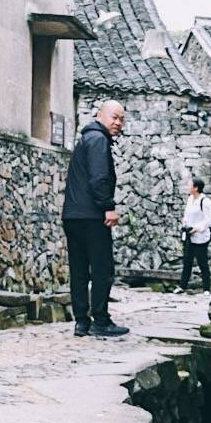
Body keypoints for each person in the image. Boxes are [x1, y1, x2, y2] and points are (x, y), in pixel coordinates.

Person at [62, 99, 128, 338]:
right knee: (102, 269)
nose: (118, 123)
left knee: (79, 270)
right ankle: (100, 319)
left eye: (121, 119)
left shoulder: (85, 139)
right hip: (91, 215)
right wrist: (108, 207)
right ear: (100, 115)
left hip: (72, 215)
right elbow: (99, 178)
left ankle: (81, 322)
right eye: (114, 117)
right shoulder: (99, 139)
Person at [179, 176, 211, 293]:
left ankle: (206, 289)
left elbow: (209, 220)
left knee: (202, 262)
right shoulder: (190, 199)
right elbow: (187, 215)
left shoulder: (205, 201)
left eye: (190, 185)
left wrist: (197, 228)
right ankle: (182, 286)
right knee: (187, 262)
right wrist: (185, 223)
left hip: (201, 236)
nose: (188, 187)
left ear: (196, 188)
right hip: (189, 235)